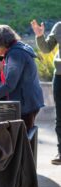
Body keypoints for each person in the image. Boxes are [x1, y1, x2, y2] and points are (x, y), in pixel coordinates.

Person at [0, 24, 44, 131]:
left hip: (26, 105)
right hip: (29, 101)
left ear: (1, 43)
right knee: (21, 139)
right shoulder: (17, 48)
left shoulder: (15, 54)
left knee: (21, 140)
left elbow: (10, 84)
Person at [31, 20, 61, 165]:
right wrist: (40, 36)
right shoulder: (59, 26)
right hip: (60, 77)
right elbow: (46, 48)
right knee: (60, 116)